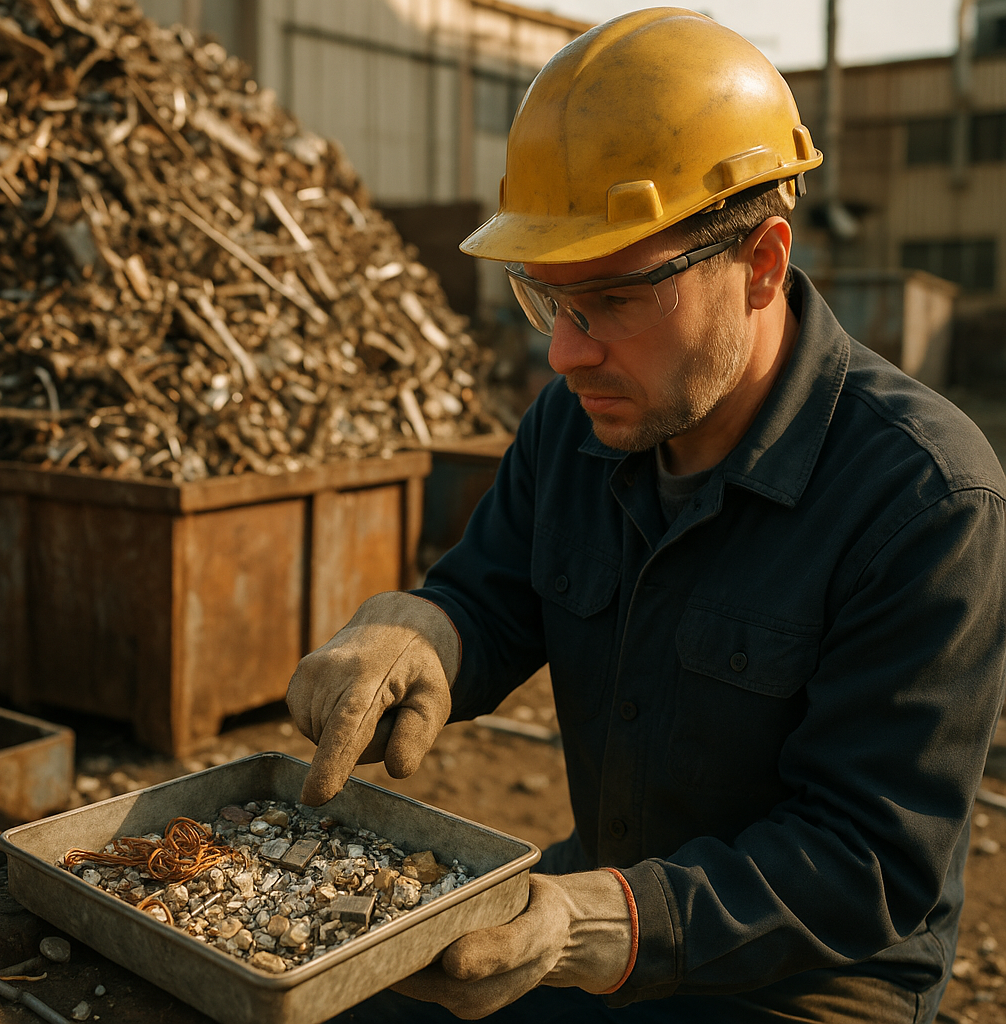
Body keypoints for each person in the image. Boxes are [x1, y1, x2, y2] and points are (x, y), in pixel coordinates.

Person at [286, 8, 1006, 1022]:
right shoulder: (577, 423)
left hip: (808, 979)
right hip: (596, 899)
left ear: (759, 263)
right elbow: (488, 596)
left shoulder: (924, 499)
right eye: (547, 299)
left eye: (614, 300)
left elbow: (865, 859)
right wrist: (418, 628)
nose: (565, 353)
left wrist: (595, 922)